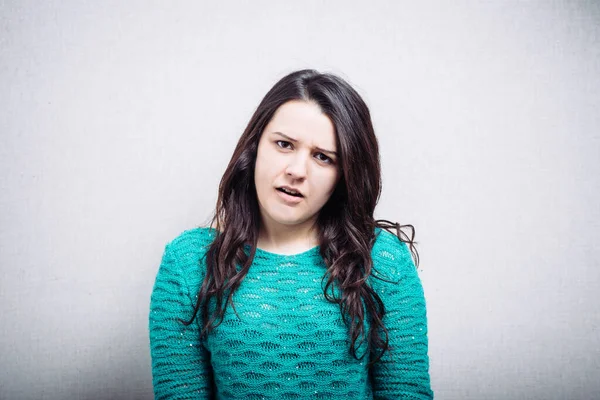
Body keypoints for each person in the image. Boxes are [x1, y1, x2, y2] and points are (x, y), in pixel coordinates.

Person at [149, 69, 433, 399]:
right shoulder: (188, 263)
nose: (297, 171)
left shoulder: (382, 261)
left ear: (344, 175)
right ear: (254, 148)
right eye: (284, 144)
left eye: (323, 158)